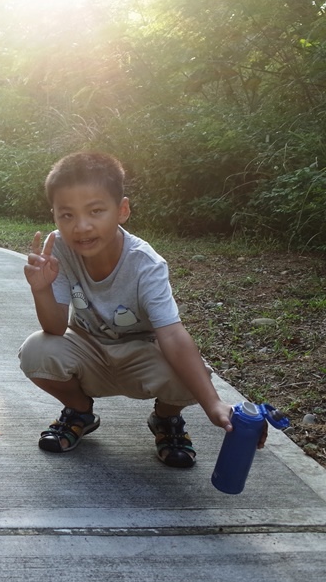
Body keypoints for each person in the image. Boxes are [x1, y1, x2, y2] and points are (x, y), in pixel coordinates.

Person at [20, 152, 236, 468]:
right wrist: (41, 289)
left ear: (122, 210)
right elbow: (54, 328)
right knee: (36, 351)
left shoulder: (145, 264)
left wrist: (213, 404)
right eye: (67, 215)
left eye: (95, 211)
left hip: (140, 355)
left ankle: (166, 419)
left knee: (193, 374)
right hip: (89, 350)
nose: (81, 226)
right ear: (54, 215)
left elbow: (173, 335)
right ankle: (80, 411)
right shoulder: (60, 249)